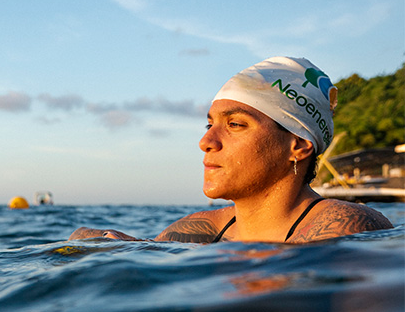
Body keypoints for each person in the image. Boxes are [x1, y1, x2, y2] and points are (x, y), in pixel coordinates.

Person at [69, 56, 393, 244]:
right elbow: (106, 243)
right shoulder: (204, 229)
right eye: (208, 124)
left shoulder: (344, 227)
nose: (206, 141)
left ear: (298, 146)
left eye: (236, 124)